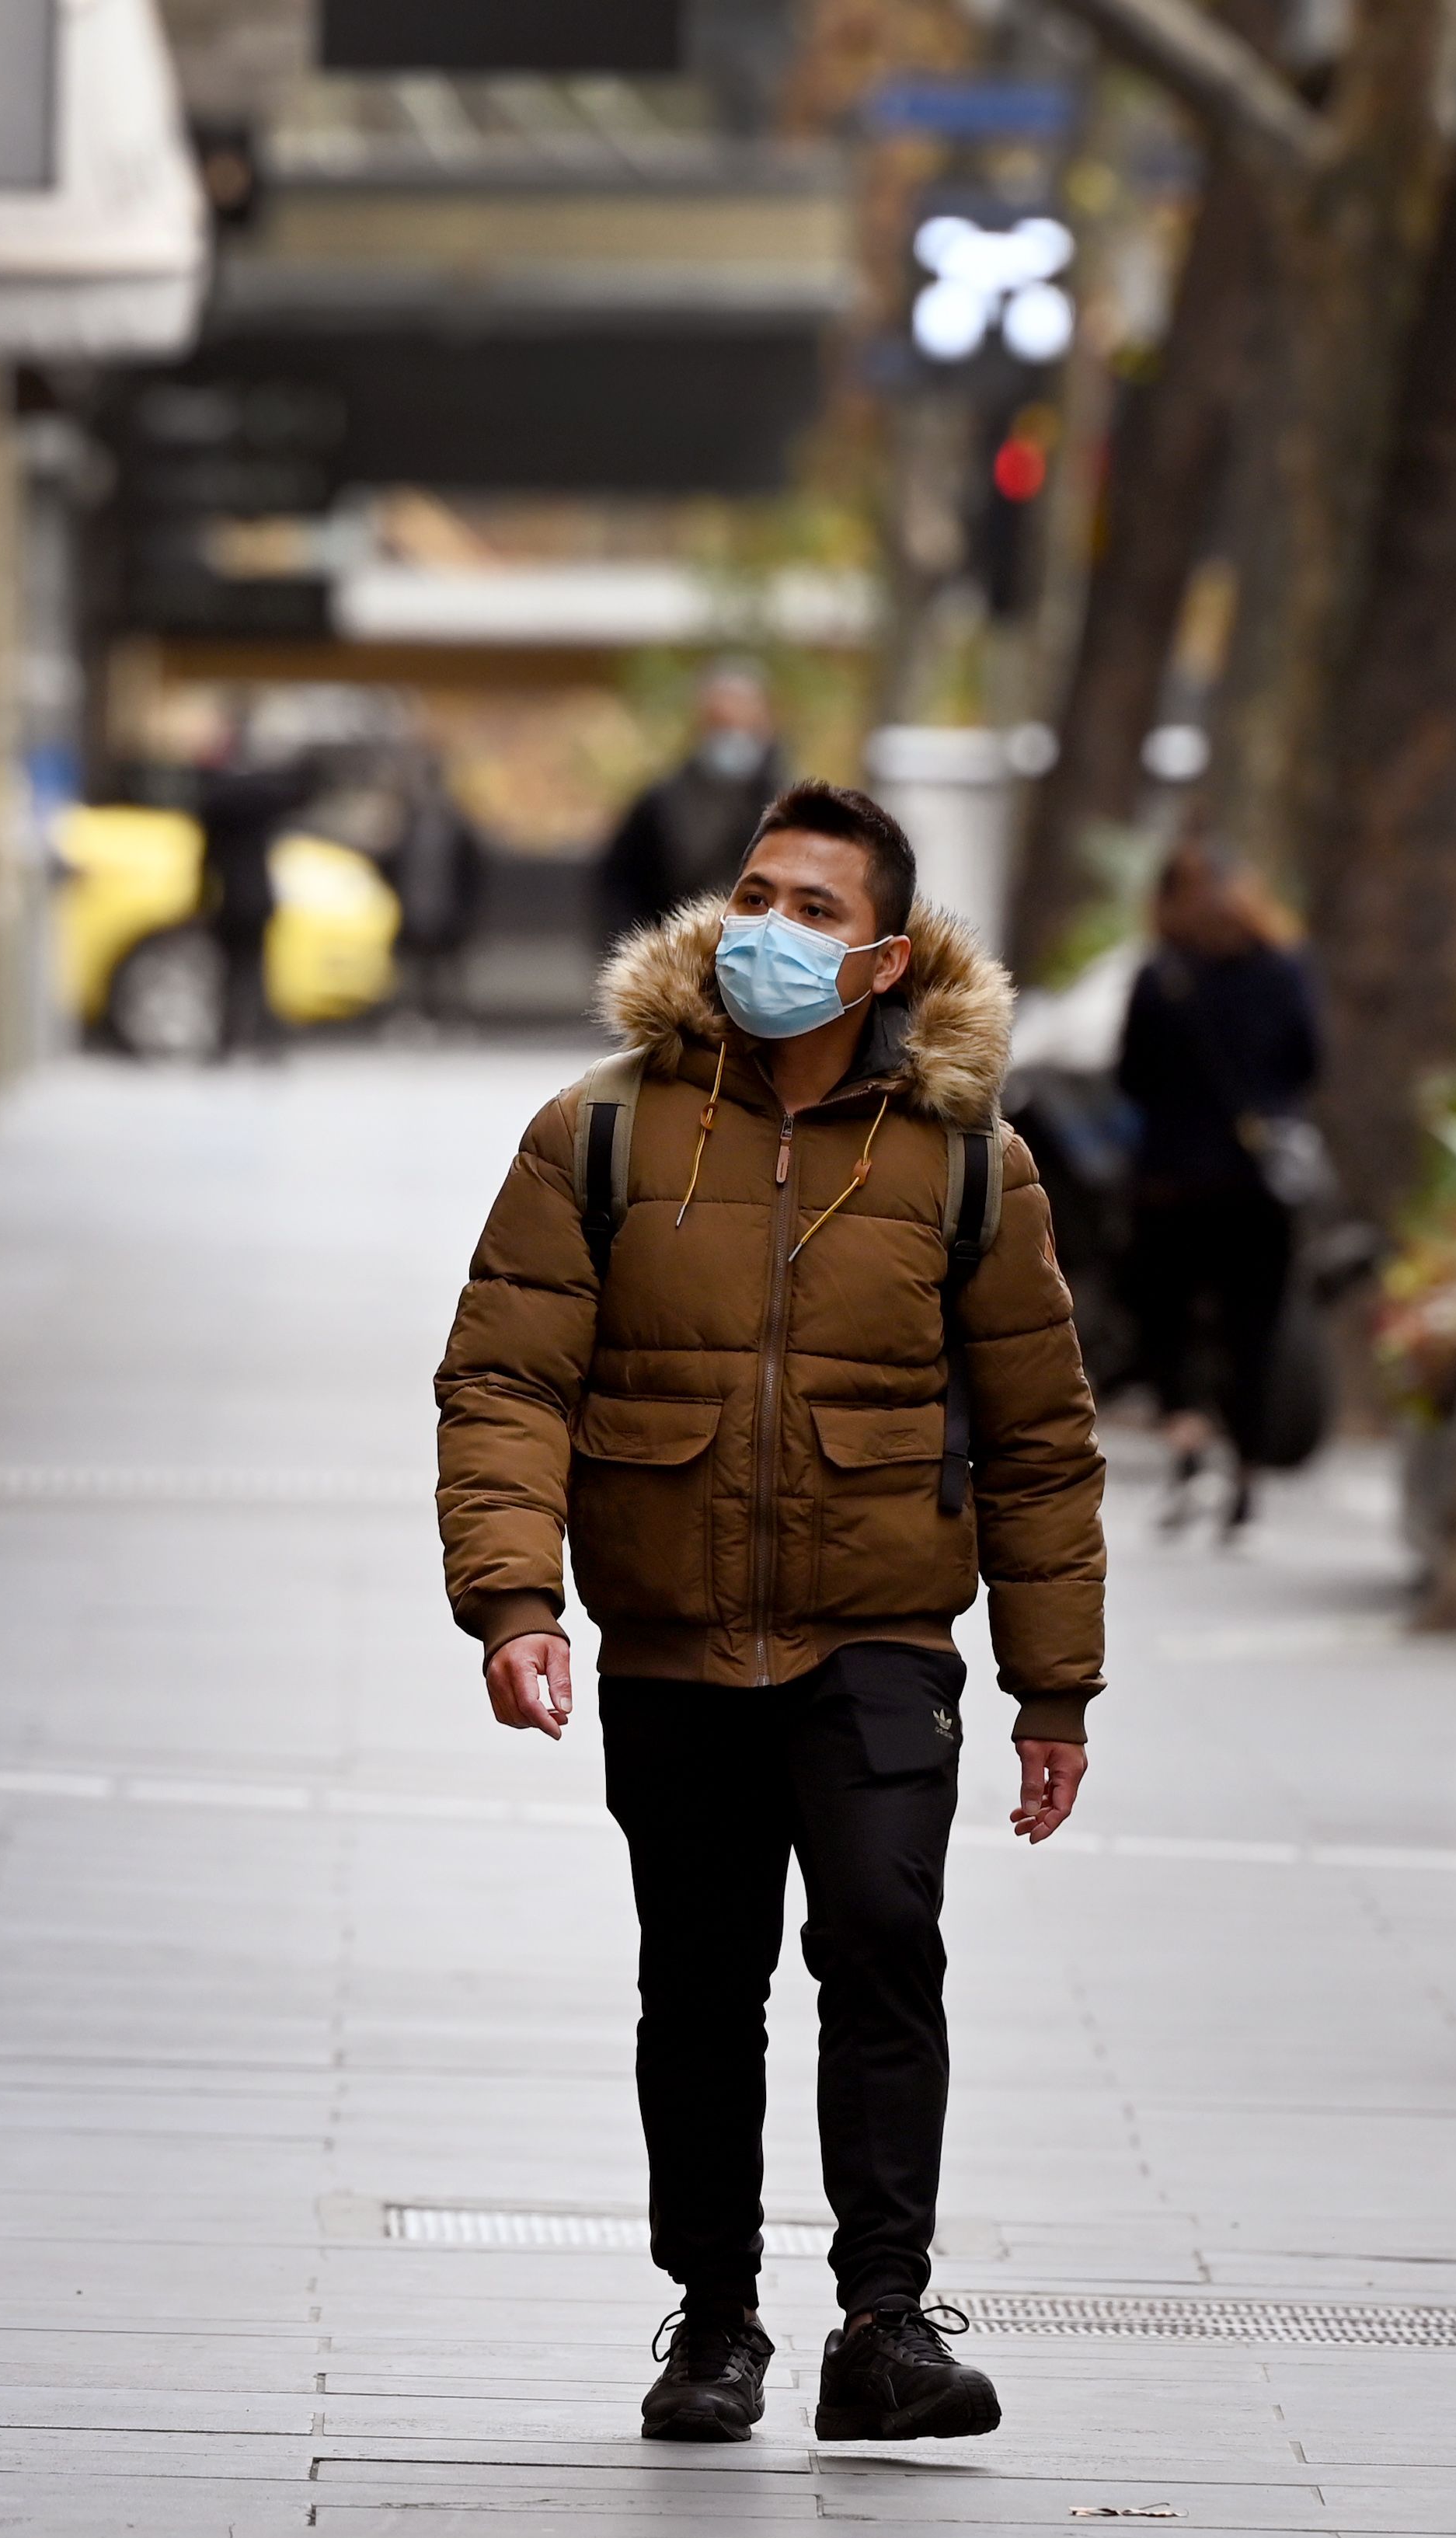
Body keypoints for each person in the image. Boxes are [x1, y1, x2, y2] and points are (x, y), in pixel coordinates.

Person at [436, 779, 1106, 2449]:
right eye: (755, 894)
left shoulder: (971, 1167)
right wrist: (513, 1596)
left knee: (883, 1940)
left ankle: (883, 2322)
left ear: (881, 959)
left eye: (814, 911)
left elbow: (1038, 1439)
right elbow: (505, 1379)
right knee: (701, 1975)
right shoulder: (595, 1134)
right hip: (669, 1638)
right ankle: (715, 2318)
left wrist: (1053, 1691)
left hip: (879, 1631)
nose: (771, 932)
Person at [1112, 844, 1322, 1539]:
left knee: (1166, 1320)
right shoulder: (1283, 968)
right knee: (1254, 1329)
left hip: (1171, 1181)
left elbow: (1131, 1075)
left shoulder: (1160, 976)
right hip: (1257, 1184)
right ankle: (1248, 1472)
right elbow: (1307, 1059)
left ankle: (1188, 1444)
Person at [595, 662, 780, 949]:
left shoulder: (793, 802)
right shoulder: (660, 803)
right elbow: (620, 887)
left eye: (742, 724)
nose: (731, 736)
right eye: (720, 724)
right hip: (680, 962)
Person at [190, 709, 312, 1062]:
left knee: (231, 974)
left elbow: (204, 856)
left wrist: (201, 899)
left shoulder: (218, 798)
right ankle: (261, 1042)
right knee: (255, 972)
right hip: (255, 897)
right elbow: (294, 794)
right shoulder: (259, 793)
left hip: (229, 898)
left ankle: (229, 1043)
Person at [380, 745, 486, 1031]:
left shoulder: (448, 823)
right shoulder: (414, 820)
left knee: (444, 968)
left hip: (442, 908)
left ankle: (449, 1018)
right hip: (418, 908)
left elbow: (471, 870)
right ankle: (422, 1018)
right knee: (419, 969)